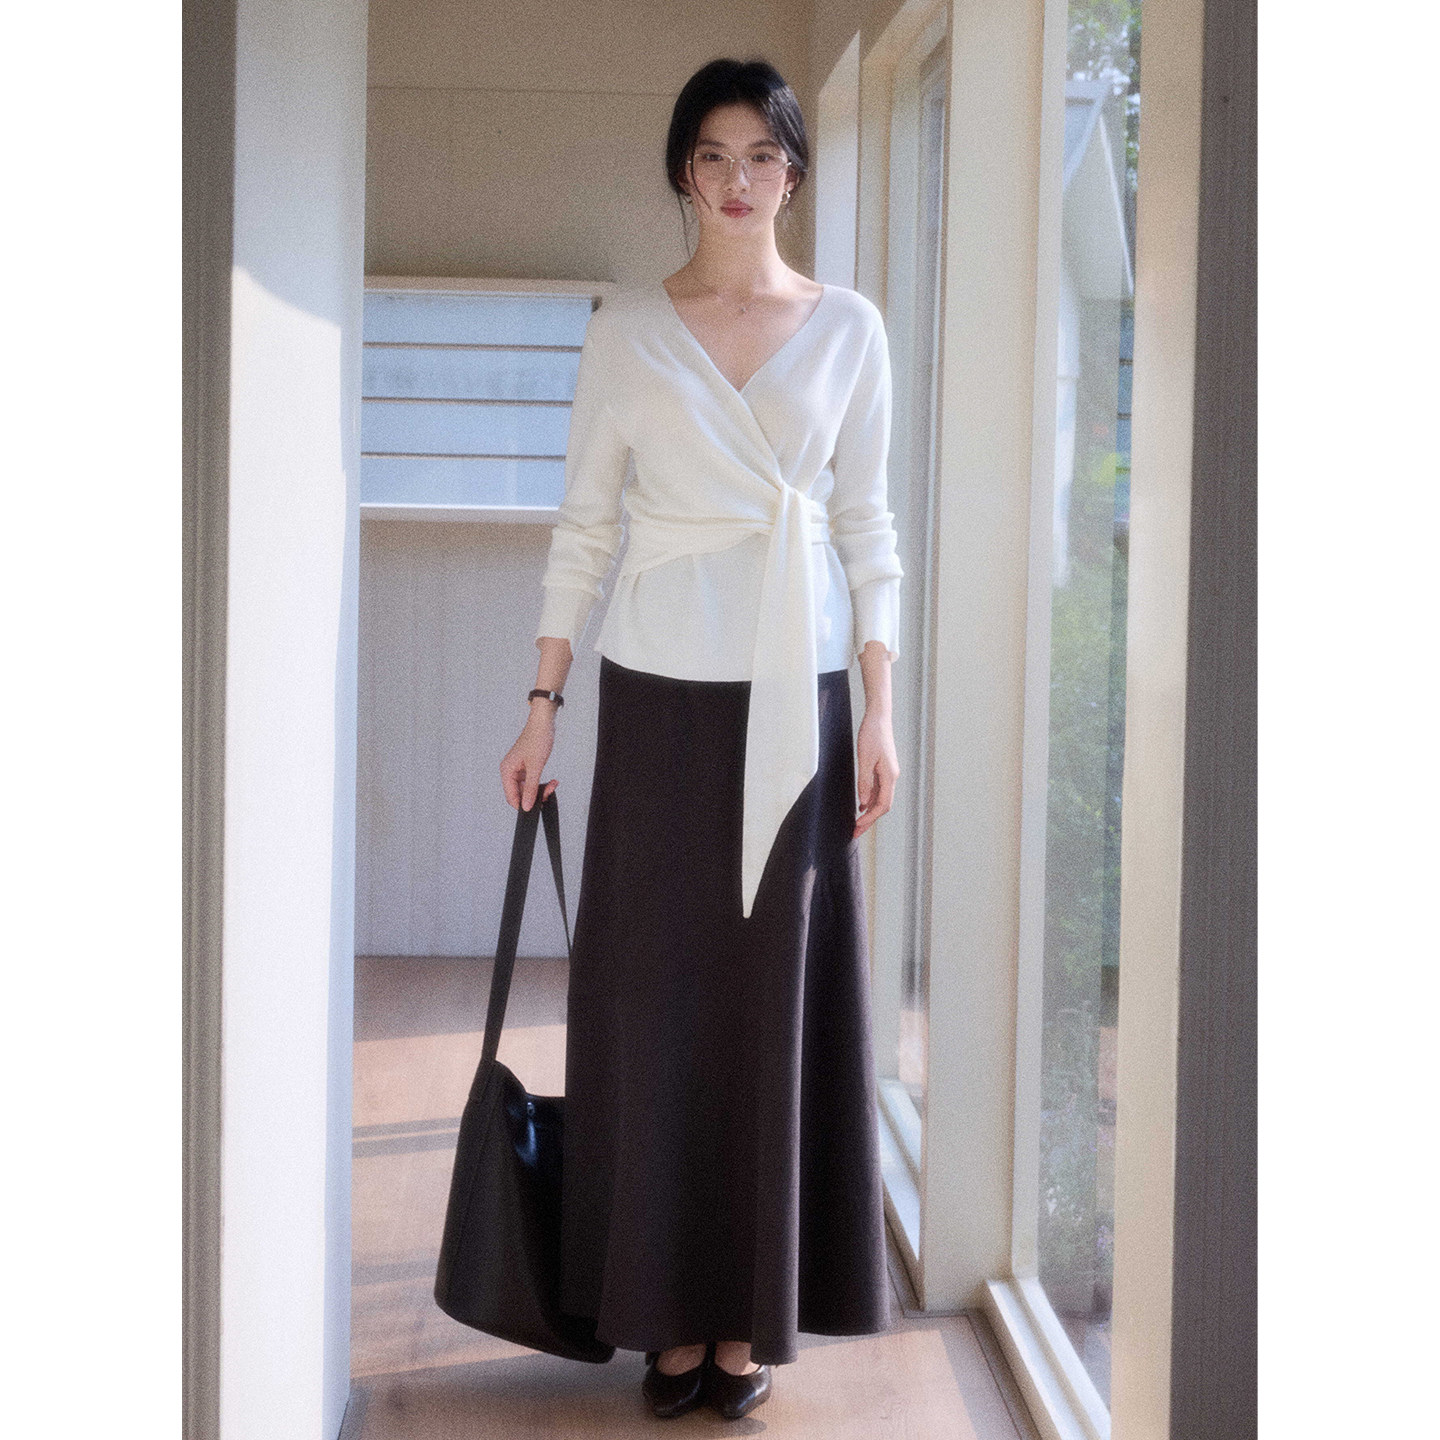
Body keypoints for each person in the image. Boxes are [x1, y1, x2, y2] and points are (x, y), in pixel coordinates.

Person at [500, 56, 904, 1423]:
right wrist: (544, 703)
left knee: (767, 1010)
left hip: (805, 695)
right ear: (684, 171)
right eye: (715, 156)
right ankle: (661, 1314)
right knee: (653, 1004)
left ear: (795, 173)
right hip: (661, 697)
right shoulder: (626, 329)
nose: (740, 181)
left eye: (764, 156)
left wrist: (881, 711)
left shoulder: (850, 328)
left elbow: (869, 527)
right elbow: (584, 527)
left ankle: (745, 1320)